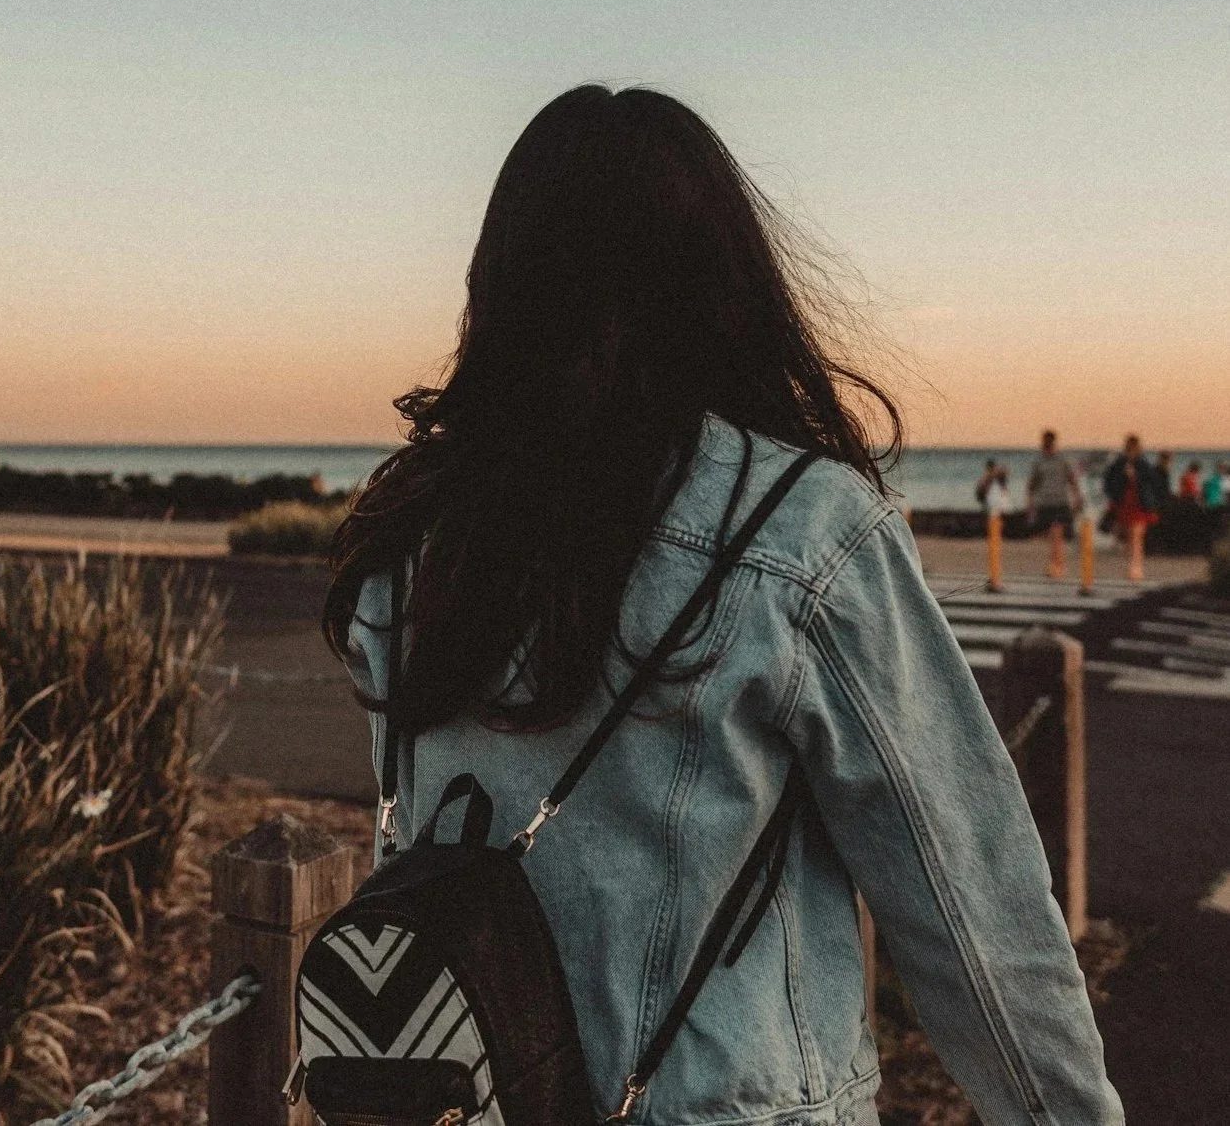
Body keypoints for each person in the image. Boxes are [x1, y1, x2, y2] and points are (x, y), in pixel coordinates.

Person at [325, 86, 1122, 1126]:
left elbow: (411, 850)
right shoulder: (801, 530)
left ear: (504, 283)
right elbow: (975, 919)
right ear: (725, 281)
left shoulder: (418, 528)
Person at [1103, 434, 1162, 582]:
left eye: (1133, 448)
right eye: (1129, 448)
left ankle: (1136, 568)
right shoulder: (1119, 463)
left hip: (1140, 504)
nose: (1131, 451)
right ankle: (1133, 566)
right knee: (1130, 537)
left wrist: (1135, 477)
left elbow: (1153, 482)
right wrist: (1113, 494)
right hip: (1125, 503)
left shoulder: (1143, 464)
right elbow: (1109, 480)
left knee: (1136, 536)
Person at [1027, 430, 1083, 579]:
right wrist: (1030, 504)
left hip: (1060, 501)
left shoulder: (1063, 460)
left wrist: (1077, 498)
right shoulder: (1038, 461)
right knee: (1051, 535)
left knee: (1056, 533)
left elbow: (1072, 480)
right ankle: (1058, 564)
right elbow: (1032, 484)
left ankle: (1056, 566)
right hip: (1045, 502)